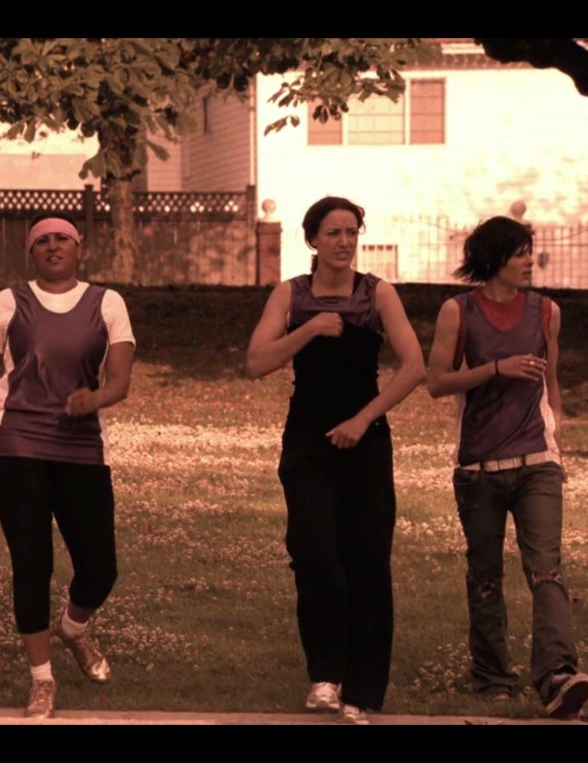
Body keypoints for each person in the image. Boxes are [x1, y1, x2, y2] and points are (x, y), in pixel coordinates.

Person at [0, 213, 135, 719]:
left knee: (100, 566)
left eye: (63, 240)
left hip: (82, 448)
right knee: (33, 562)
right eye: (42, 241)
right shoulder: (9, 303)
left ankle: (73, 629)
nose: (53, 247)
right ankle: (41, 679)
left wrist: (91, 399)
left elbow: (119, 381)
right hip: (15, 446)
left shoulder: (108, 303)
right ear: (32, 253)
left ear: (79, 249)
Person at [244, 196, 425, 725]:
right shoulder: (291, 296)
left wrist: (363, 420)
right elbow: (256, 362)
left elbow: (413, 367)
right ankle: (325, 675)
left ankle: (361, 693)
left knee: (368, 559)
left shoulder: (377, 294)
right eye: (333, 233)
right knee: (314, 548)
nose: (344, 242)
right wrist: (308, 330)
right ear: (312, 241)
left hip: (365, 437)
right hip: (307, 441)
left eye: (352, 232)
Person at [425, 215, 588, 719]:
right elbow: (435, 382)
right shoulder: (458, 312)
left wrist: (555, 431)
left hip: (538, 463)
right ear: (495, 257)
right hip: (479, 466)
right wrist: (496, 368)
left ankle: (558, 675)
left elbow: (553, 380)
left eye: (530, 251)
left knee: (547, 570)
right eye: (521, 252)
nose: (529, 261)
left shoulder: (546, 312)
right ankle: (493, 677)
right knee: (485, 576)